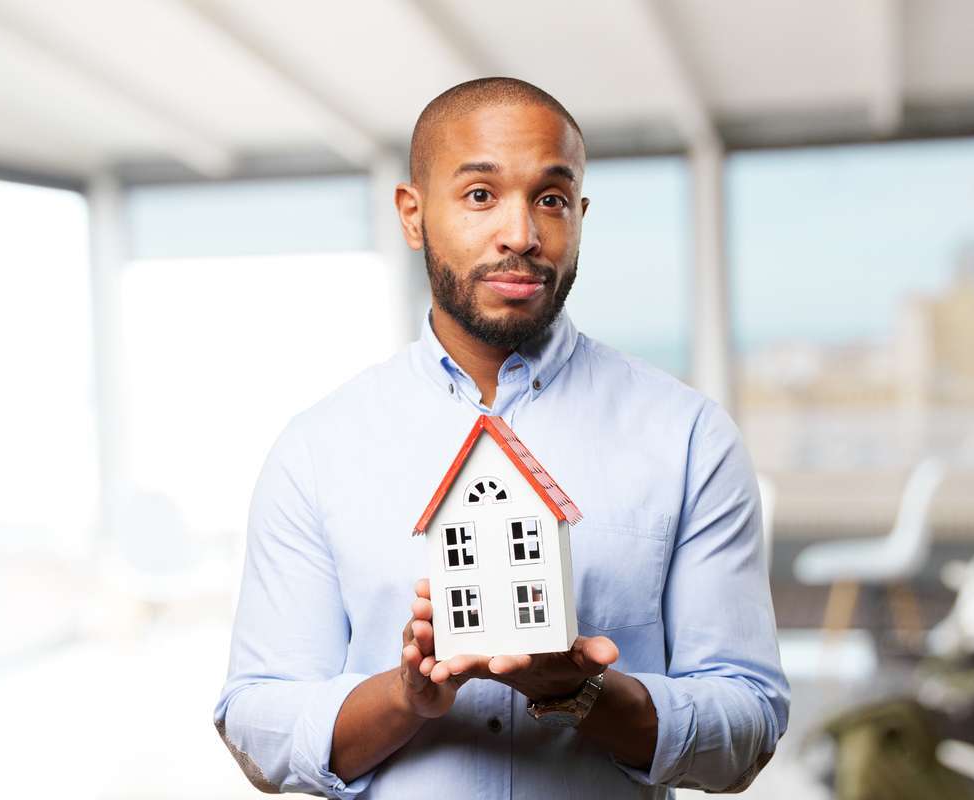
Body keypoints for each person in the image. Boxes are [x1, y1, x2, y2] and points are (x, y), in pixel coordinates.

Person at [214, 77, 790, 799]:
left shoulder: (689, 438)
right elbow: (258, 721)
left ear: (579, 214)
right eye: (481, 196)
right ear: (412, 214)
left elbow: (749, 727)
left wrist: (584, 694)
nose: (521, 234)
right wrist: (404, 698)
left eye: (550, 199)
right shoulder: (317, 450)